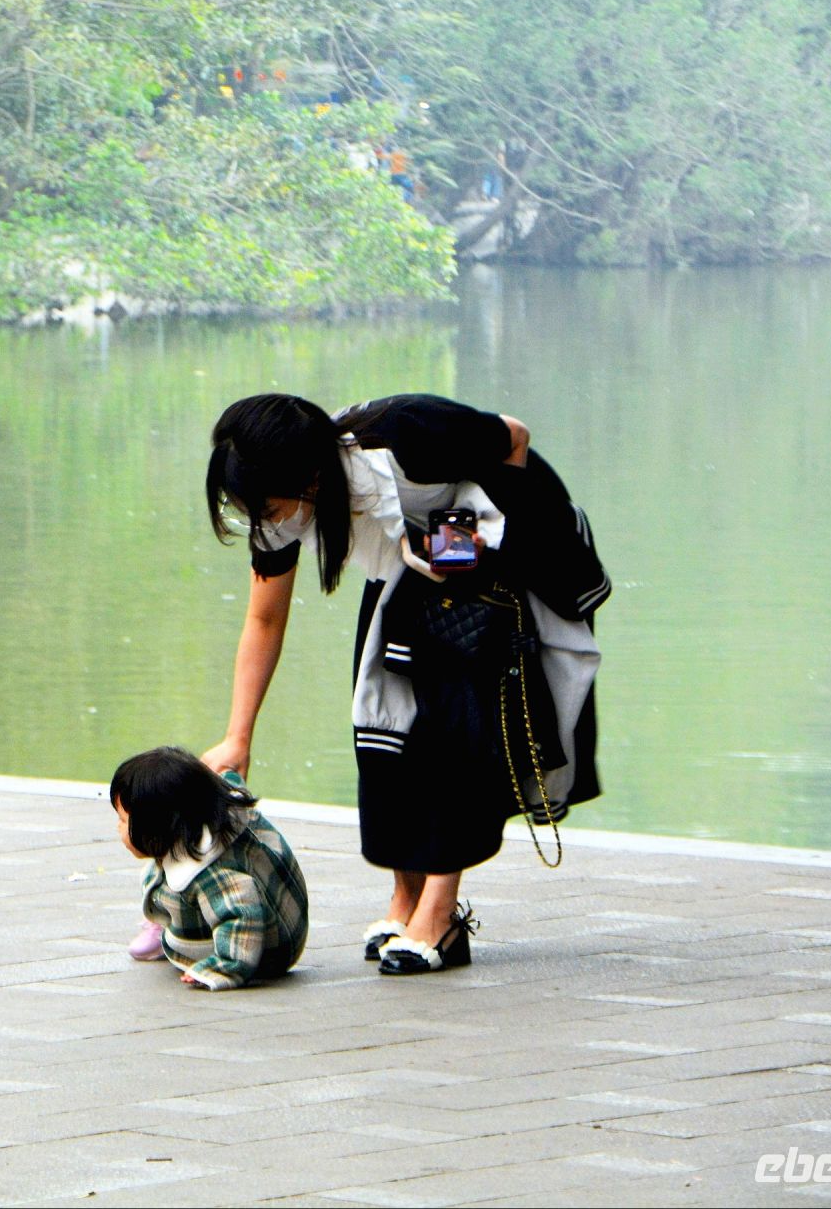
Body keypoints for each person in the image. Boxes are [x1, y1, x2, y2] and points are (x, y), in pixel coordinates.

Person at [202, 394, 607, 976]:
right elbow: (263, 620)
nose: (264, 521)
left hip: (497, 545)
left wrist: (473, 553)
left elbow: (514, 435)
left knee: (456, 738)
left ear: (311, 476)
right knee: (383, 726)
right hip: (409, 562)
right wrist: (238, 736)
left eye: (267, 505)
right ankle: (406, 900)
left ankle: (439, 918)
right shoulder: (280, 506)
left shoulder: (405, 436)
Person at [112, 746, 308, 990]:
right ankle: (165, 921)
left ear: (156, 825)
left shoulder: (212, 874)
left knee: (192, 887)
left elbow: (242, 914)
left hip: (269, 948)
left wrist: (222, 968)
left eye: (122, 820)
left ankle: (214, 950)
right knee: (158, 870)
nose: (118, 828)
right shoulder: (189, 827)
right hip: (187, 863)